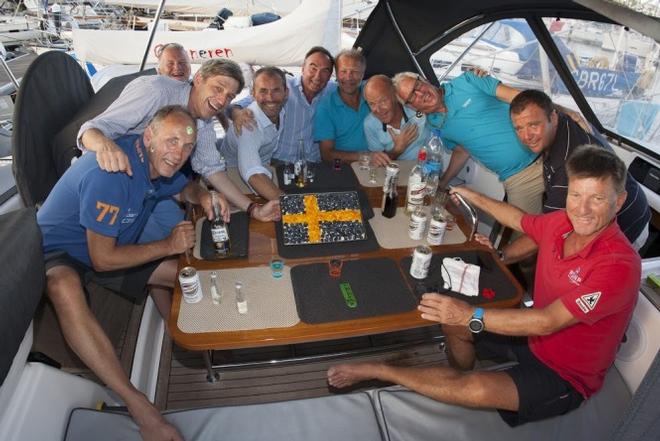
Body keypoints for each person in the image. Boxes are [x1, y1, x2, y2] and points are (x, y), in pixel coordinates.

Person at [328, 145, 640, 427]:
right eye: (576, 195)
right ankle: (458, 375)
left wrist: (468, 314)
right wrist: (473, 196)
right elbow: (519, 220)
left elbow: (547, 322)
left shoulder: (618, 265)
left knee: (475, 380)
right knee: (453, 328)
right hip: (531, 338)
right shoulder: (563, 222)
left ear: (619, 200)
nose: (582, 210)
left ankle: (381, 370)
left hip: (566, 372)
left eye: (597, 198)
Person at [39, 106, 217, 441]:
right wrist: (166, 245)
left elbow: (182, 189)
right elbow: (104, 260)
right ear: (149, 136)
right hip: (61, 251)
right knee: (62, 286)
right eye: (172, 140)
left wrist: (202, 195)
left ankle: (184, 329)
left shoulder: (156, 161)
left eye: (188, 147)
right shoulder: (113, 175)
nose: (179, 153)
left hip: (110, 244)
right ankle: (138, 405)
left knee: (189, 276)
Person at [77, 58, 280, 223]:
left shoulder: (205, 122)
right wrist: (107, 146)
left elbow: (212, 170)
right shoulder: (155, 92)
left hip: (152, 186)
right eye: (218, 89)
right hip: (107, 182)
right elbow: (89, 130)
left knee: (179, 225)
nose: (221, 101)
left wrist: (253, 209)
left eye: (229, 97)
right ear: (198, 78)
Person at [507, 89, 650, 253]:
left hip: (628, 223)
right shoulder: (562, 118)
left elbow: (547, 230)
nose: (526, 136)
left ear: (553, 118)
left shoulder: (568, 165)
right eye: (518, 128)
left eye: (533, 125)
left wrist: (503, 255)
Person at [393, 71, 543, 215]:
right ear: (411, 107)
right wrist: (443, 182)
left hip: (546, 151)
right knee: (526, 234)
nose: (420, 94)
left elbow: (520, 99)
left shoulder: (468, 80)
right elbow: (461, 150)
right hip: (517, 177)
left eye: (417, 86)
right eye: (412, 97)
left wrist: (561, 116)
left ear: (424, 80)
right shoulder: (433, 124)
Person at [230, 46, 335, 163]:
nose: (317, 76)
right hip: (280, 163)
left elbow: (354, 88)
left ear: (330, 75)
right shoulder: (281, 87)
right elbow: (235, 106)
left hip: (313, 164)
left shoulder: (332, 91)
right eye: (313, 68)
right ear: (303, 68)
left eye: (325, 71)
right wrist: (237, 115)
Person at [219, 67, 288, 201]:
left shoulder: (281, 112)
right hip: (232, 176)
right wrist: (292, 207)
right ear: (253, 94)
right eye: (263, 91)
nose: (270, 98)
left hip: (263, 168)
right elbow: (253, 174)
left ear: (286, 92)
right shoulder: (249, 124)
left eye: (276, 90)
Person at [314, 49, 390, 166]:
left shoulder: (372, 91)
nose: (349, 77)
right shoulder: (326, 106)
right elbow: (326, 154)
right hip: (345, 167)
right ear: (336, 73)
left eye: (354, 72)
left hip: (381, 162)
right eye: (343, 71)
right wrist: (365, 157)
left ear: (363, 74)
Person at [363, 74, 429, 160]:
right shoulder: (370, 124)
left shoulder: (417, 108)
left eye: (383, 101)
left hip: (429, 168)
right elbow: (379, 164)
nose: (378, 110)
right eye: (372, 104)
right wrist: (397, 149)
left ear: (395, 95)